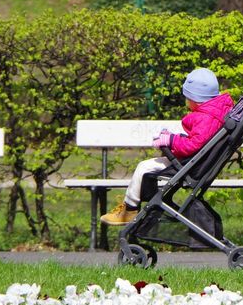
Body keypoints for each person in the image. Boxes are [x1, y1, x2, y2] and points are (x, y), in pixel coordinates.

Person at [100, 67, 234, 226]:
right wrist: (174, 138)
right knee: (147, 167)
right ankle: (145, 209)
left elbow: (194, 144)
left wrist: (170, 141)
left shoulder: (205, 117)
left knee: (144, 167)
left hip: (191, 165)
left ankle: (129, 210)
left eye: (187, 98)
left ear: (195, 99)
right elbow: (200, 141)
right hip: (197, 161)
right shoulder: (216, 113)